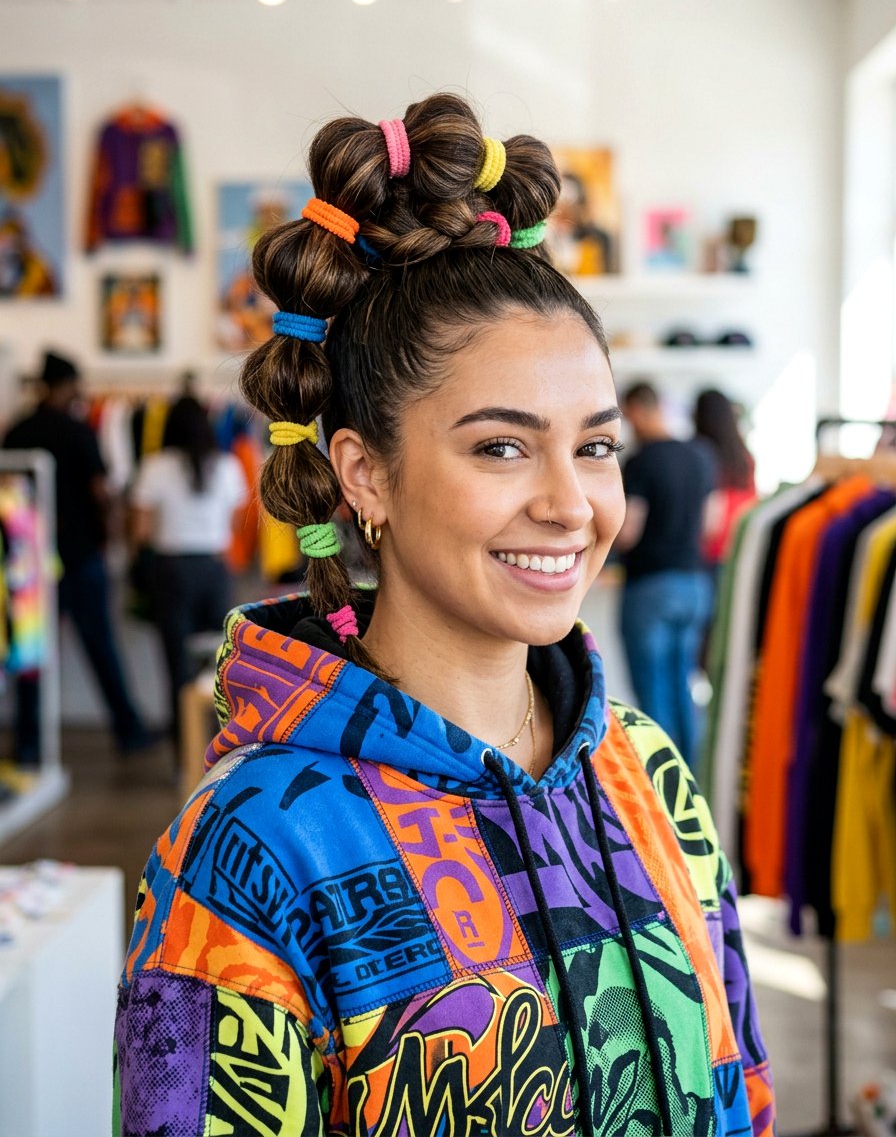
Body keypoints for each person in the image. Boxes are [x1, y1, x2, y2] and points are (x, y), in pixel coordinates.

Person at [114, 96, 774, 1137]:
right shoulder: (250, 849)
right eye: (501, 447)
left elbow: (741, 1083)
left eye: (594, 446)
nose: (570, 502)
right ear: (363, 473)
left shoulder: (645, 770)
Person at [3, 351, 150, 756]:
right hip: (81, 556)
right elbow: (101, 492)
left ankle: (29, 745)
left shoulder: (17, 431)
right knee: (101, 645)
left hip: (30, 560)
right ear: (63, 387)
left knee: (32, 653)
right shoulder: (77, 430)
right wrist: (113, 537)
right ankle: (129, 730)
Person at [129, 394, 247, 746]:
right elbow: (238, 524)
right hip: (214, 569)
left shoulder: (155, 466)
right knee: (223, 665)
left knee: (178, 668)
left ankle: (184, 757)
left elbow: (141, 531)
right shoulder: (226, 466)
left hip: (172, 572)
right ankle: (223, 749)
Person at [615, 381, 716, 768]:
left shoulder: (642, 461)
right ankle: (689, 778)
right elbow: (711, 523)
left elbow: (628, 532)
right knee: (684, 687)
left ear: (638, 409)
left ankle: (659, 784)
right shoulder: (700, 455)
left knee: (654, 695)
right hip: (694, 584)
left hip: (651, 587)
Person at [694, 388, 757, 572]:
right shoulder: (745, 457)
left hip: (709, 549)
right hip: (739, 543)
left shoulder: (702, 455)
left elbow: (712, 511)